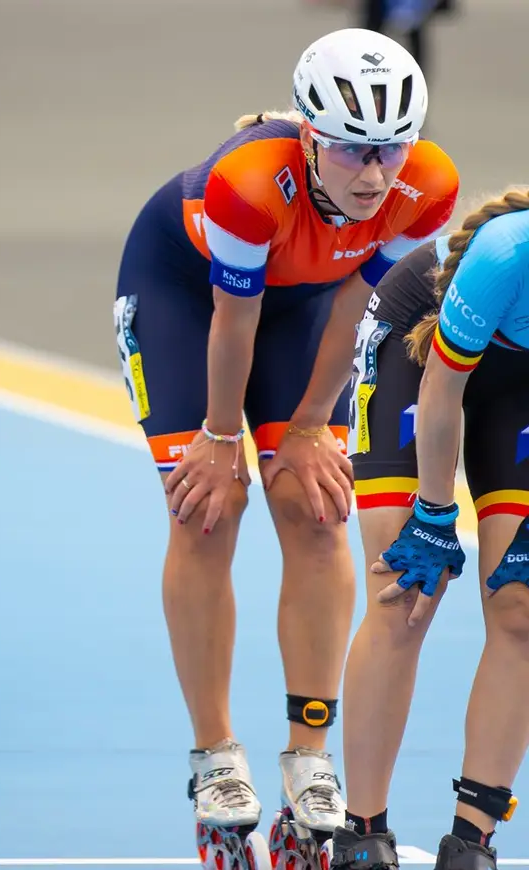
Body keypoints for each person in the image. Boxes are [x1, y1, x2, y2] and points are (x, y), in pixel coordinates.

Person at [112, 26, 460, 870]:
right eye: (352, 152)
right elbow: (234, 322)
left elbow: (354, 310)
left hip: (308, 308)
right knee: (209, 507)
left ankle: (310, 755)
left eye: (390, 149)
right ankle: (215, 756)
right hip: (187, 299)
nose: (375, 174)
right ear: (309, 136)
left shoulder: (429, 186)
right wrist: (222, 437)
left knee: (314, 507)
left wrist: (308, 426)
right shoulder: (244, 186)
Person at [335, 189, 529, 870]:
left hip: (520, 384)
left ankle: (470, 841)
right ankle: (361, 831)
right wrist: (435, 514)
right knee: (406, 591)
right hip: (420, 353)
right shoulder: (510, 253)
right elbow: (442, 395)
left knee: (522, 607)